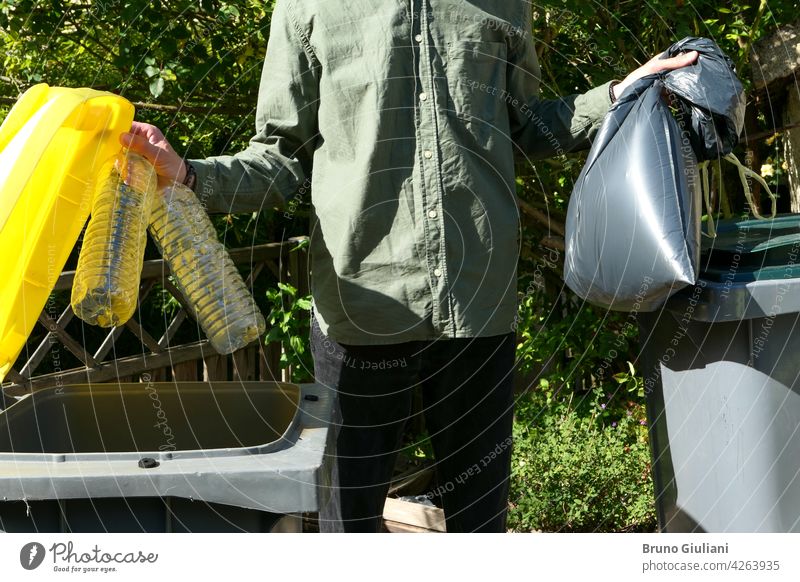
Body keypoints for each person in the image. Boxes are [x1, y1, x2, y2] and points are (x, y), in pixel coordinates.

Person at [122, 0, 698, 532]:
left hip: (478, 298)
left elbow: (528, 124)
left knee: (480, 526)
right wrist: (189, 172)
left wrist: (622, 91)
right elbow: (280, 157)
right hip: (360, 304)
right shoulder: (307, 7)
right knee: (346, 527)